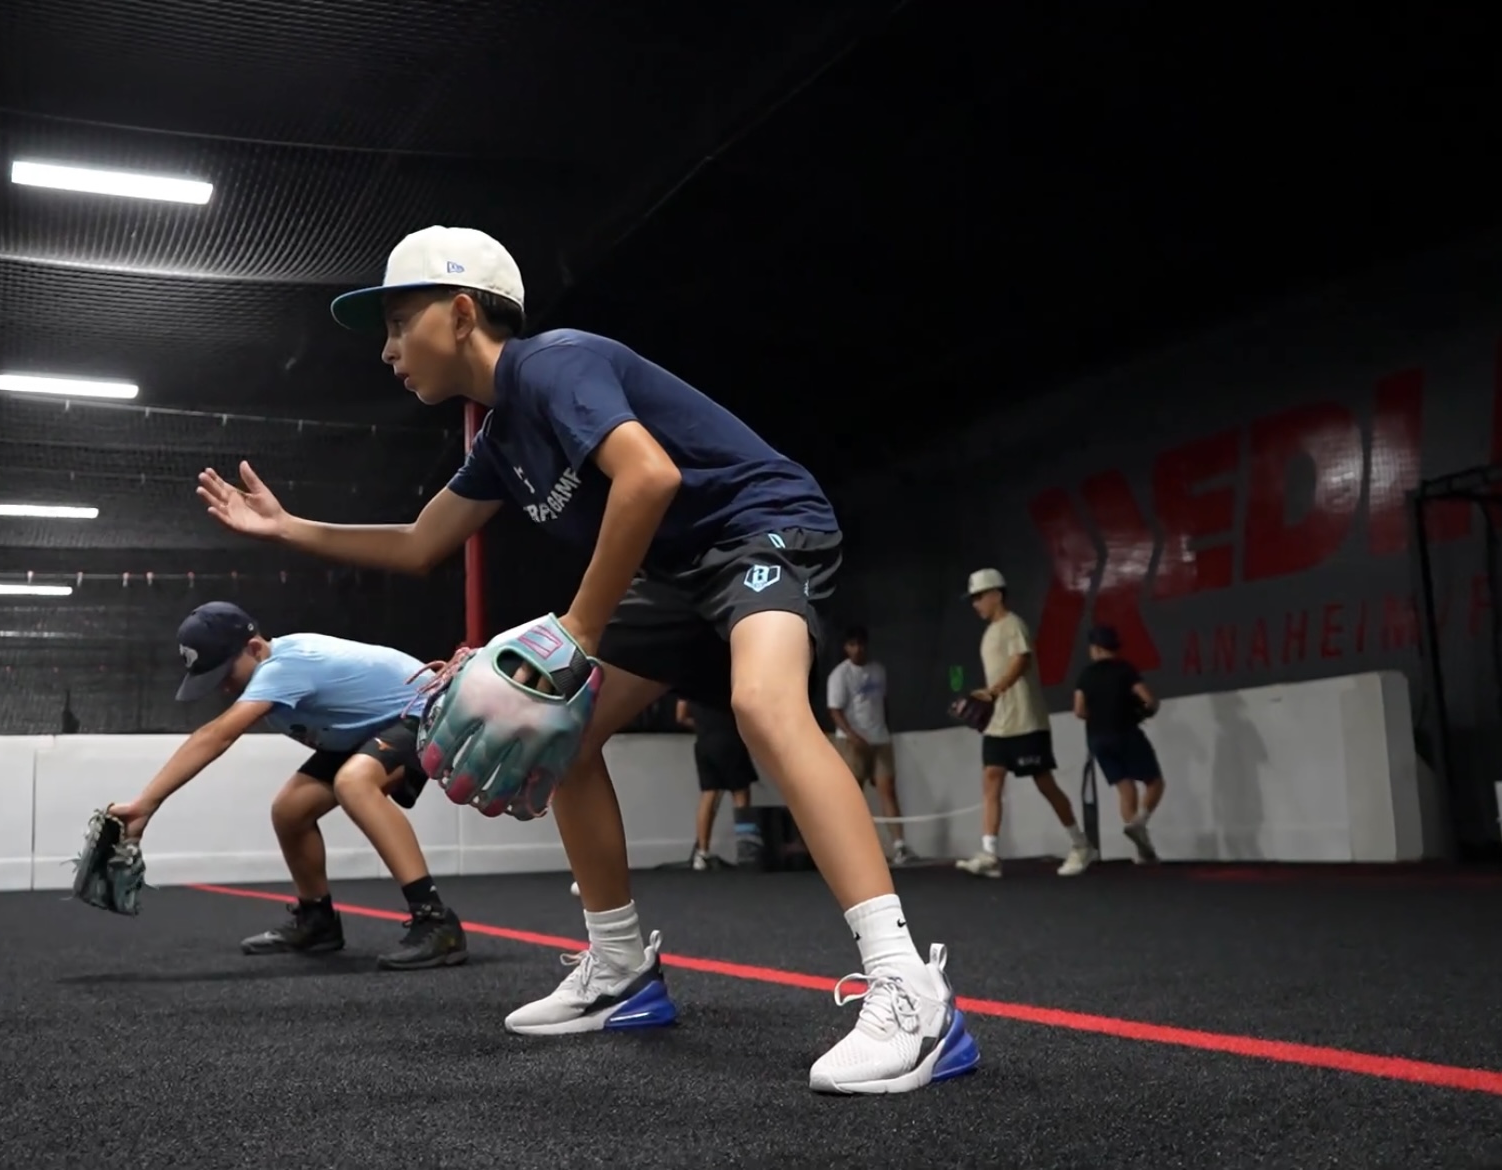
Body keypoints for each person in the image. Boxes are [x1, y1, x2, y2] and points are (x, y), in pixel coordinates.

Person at [196, 225, 977, 1095]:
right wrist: (287, 527)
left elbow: (649, 479)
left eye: (397, 322)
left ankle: (911, 988)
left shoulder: (551, 365)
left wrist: (580, 630)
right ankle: (621, 972)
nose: (385, 350)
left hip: (762, 525)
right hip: (676, 570)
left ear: (460, 314)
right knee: (564, 731)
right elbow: (422, 545)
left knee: (764, 704)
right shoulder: (499, 440)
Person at [104, 600, 469, 971]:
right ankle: (317, 921)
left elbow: (215, 736)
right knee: (290, 810)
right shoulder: (270, 669)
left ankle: (436, 922)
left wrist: (144, 804)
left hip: (425, 711)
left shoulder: (284, 666)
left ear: (255, 649)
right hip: (368, 727)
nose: (226, 688)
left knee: (354, 783)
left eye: (226, 675)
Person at [954, 568, 1098, 879]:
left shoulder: (1013, 624)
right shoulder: (989, 632)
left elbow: (1022, 661)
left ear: (997, 594)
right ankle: (990, 853)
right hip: (998, 724)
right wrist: (986, 694)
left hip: (1025, 721)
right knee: (991, 778)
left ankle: (1081, 845)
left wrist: (994, 691)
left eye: (979, 597)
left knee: (1044, 782)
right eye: (973, 598)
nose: (976, 603)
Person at [1073, 624, 1164, 863]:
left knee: (1125, 789)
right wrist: (1147, 710)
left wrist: (1099, 714)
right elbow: (1149, 700)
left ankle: (1141, 851)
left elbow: (1079, 711)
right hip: (1125, 733)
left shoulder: (1086, 675)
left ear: (1095, 648)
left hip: (1098, 739)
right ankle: (1139, 824)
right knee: (1155, 782)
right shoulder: (1125, 670)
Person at [825, 626, 915, 866]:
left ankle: (900, 847)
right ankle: (849, 849)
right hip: (852, 742)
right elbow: (834, 710)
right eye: (852, 645)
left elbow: (882, 703)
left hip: (880, 739)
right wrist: (852, 735)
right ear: (846, 648)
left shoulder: (878, 671)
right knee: (852, 795)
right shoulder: (840, 675)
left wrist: (885, 729)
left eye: (861, 644)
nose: (858, 649)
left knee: (888, 790)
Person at [677, 696, 762, 869]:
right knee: (740, 792)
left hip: (703, 742)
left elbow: (681, 716)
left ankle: (702, 854)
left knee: (709, 793)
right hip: (729, 739)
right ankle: (746, 852)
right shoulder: (724, 682)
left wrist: (704, 727)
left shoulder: (688, 683)